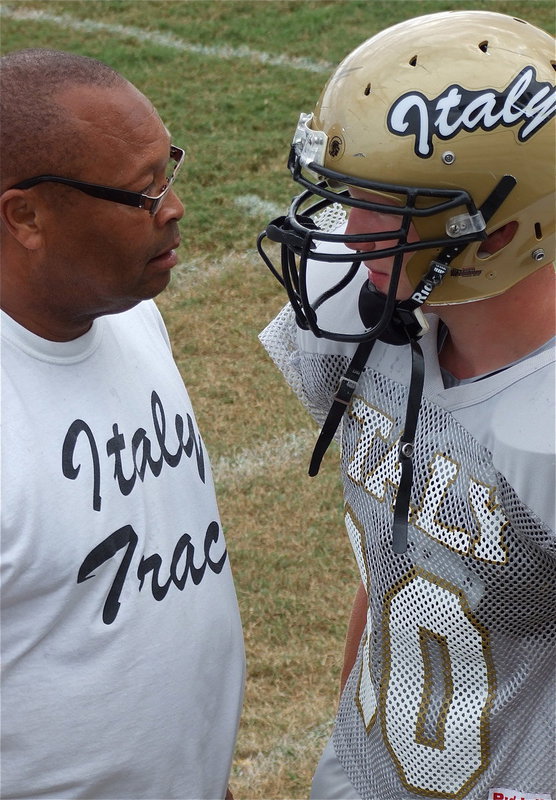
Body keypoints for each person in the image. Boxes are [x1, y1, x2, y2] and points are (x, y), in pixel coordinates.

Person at [258, 10, 555, 799]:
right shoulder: (368, 309)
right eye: (349, 193)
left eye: (386, 208)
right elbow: (394, 563)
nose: (348, 233)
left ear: (496, 235)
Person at [0, 49, 244, 799]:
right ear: (27, 216)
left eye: (167, 170)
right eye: (142, 193)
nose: (172, 207)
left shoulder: (128, 317)